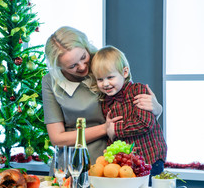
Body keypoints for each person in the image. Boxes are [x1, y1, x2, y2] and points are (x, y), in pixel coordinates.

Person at [42, 26, 162, 168]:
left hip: (111, 161)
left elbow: (133, 112)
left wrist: (157, 109)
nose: (82, 67)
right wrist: (106, 128)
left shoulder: (103, 63)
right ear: (58, 67)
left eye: (83, 57)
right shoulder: (50, 81)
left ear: (86, 47)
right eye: (72, 66)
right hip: (71, 162)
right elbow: (57, 139)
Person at [90, 45, 167, 176]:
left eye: (110, 77)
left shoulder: (138, 90)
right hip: (126, 165)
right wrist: (110, 137)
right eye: (100, 79)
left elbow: (145, 123)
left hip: (150, 159)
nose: (105, 84)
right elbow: (112, 134)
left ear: (125, 72)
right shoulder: (105, 101)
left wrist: (115, 129)